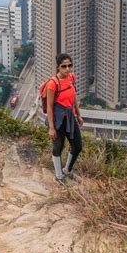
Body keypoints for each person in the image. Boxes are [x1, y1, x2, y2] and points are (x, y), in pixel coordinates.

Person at [46, 53, 83, 185]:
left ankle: (67, 169)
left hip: (70, 116)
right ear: (58, 67)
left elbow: (73, 98)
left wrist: (78, 115)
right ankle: (59, 175)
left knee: (77, 145)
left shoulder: (72, 78)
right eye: (64, 66)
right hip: (57, 119)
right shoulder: (53, 84)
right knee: (58, 146)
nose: (67, 69)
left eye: (69, 66)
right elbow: (49, 107)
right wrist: (51, 127)